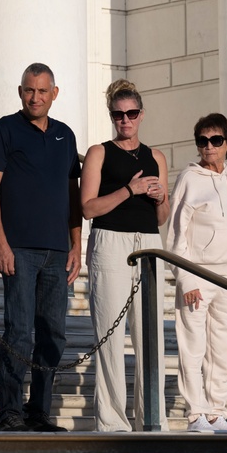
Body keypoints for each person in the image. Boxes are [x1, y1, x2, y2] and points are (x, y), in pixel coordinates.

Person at [0, 63, 82, 432]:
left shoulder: (65, 136)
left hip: (58, 252)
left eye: (42, 91)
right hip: (19, 249)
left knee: (53, 333)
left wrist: (76, 244)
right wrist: (1, 244)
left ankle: (38, 411)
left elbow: (73, 194)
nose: (35, 97)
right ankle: (9, 411)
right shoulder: (4, 130)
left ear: (55, 93)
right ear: (19, 91)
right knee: (19, 331)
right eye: (28, 90)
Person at [80, 79, 170, 432]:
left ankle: (152, 419)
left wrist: (161, 197)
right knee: (110, 334)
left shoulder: (157, 157)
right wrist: (129, 189)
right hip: (110, 242)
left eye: (131, 113)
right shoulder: (99, 153)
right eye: (118, 115)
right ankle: (113, 423)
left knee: (151, 336)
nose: (125, 120)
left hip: (149, 244)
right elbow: (88, 208)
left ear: (141, 114)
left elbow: (162, 218)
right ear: (111, 116)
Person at [166, 113, 227, 432]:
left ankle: (217, 410)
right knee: (193, 344)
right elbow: (176, 233)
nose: (209, 147)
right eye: (203, 141)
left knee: (224, 345)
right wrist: (186, 278)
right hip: (198, 274)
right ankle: (196, 412)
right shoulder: (190, 178)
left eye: (216, 141)